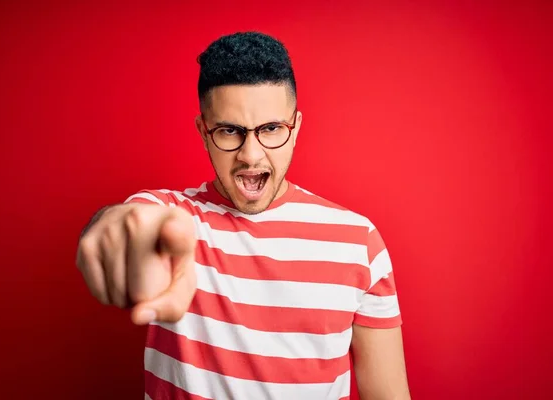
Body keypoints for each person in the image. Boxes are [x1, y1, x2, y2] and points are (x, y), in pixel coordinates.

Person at [76, 31, 411, 400]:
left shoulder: (358, 241)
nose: (251, 155)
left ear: (295, 128)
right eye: (229, 131)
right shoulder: (174, 217)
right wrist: (118, 231)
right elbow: (130, 222)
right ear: (204, 132)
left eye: (271, 129)